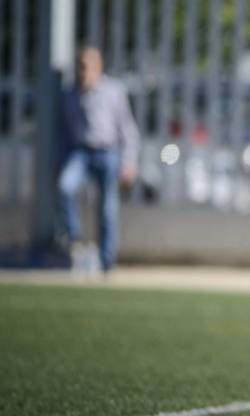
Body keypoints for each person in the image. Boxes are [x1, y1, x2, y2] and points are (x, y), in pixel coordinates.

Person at [56, 45, 139, 272]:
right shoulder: (70, 94)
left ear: (98, 67)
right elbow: (64, 132)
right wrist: (61, 160)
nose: (83, 72)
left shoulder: (113, 91)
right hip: (81, 153)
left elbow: (128, 129)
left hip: (107, 153)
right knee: (65, 187)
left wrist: (129, 162)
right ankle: (76, 238)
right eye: (80, 67)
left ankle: (106, 261)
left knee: (107, 209)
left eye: (87, 67)